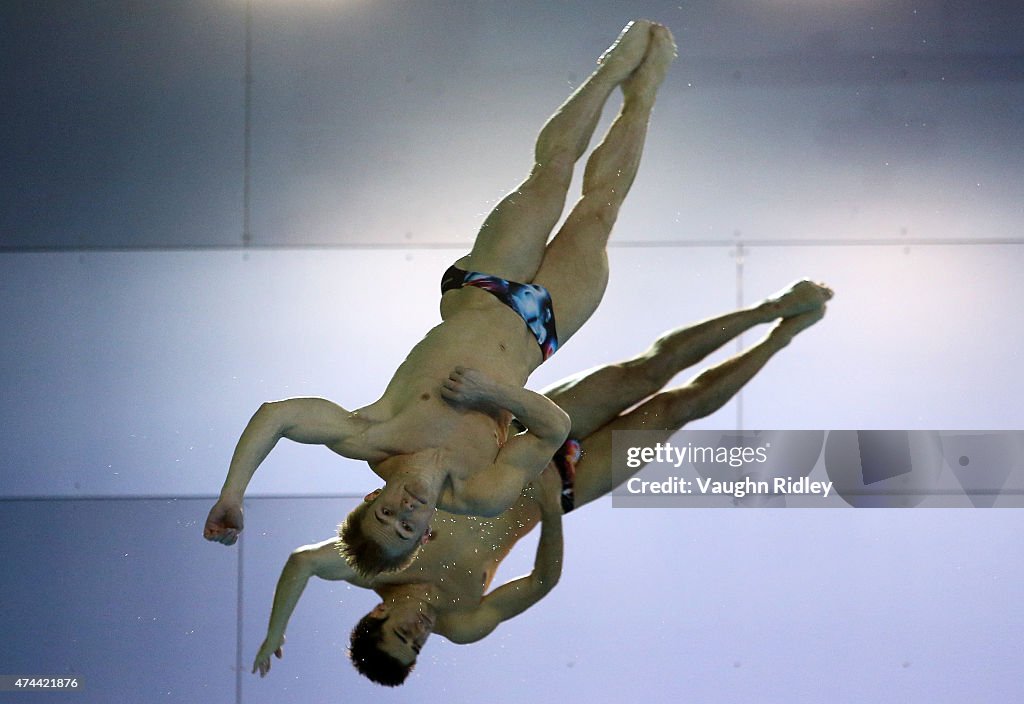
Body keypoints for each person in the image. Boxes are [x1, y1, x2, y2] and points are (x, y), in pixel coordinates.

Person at [203, 21, 677, 579]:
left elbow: (277, 415)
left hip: (484, 285)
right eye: (407, 527)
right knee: (600, 211)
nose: (403, 511)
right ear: (427, 531)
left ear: (368, 502)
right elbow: (553, 428)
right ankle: (642, 98)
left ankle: (609, 74)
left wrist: (233, 493)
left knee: (549, 176)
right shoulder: (482, 491)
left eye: (385, 514)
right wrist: (495, 392)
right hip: (542, 329)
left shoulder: (370, 435)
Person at [250, 280, 834, 686]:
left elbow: (301, 562)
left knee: (646, 370)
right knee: (685, 407)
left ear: (377, 620)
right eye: (417, 646)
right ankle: (780, 339)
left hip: (530, 440)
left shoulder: (374, 563)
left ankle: (768, 309)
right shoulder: (462, 624)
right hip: (566, 488)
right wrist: (552, 512)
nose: (420, 632)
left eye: (402, 635)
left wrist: (275, 633)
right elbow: (542, 582)